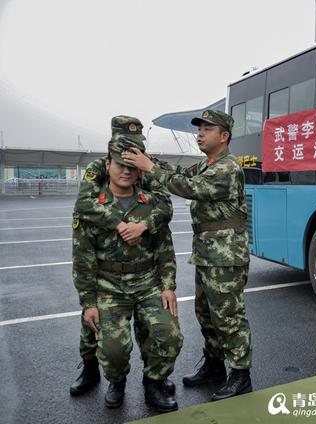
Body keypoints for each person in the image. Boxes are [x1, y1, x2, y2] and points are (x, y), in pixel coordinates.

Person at [122, 109, 252, 401]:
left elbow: (188, 188)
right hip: (208, 255)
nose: (200, 133)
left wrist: (149, 167)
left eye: (208, 128)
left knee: (229, 316)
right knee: (206, 314)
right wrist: (146, 159)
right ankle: (215, 366)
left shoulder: (228, 168)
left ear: (224, 136)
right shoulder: (208, 165)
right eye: (200, 128)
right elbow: (178, 175)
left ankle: (241, 374)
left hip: (226, 258)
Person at [72, 121, 183, 412]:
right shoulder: (93, 204)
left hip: (147, 283)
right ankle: (116, 380)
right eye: (119, 164)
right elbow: (82, 260)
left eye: (132, 165)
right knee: (113, 350)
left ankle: (154, 382)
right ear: (108, 164)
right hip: (109, 286)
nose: (125, 170)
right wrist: (88, 303)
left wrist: (168, 287)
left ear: (141, 168)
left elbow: (165, 250)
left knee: (169, 336)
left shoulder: (151, 202)